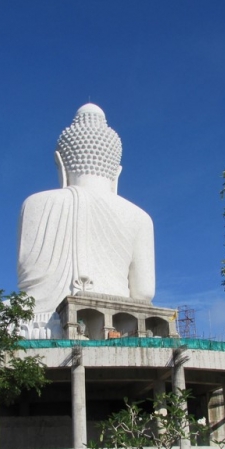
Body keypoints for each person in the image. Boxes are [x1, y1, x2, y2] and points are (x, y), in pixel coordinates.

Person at [17, 104, 155, 325]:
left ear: (61, 165)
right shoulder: (140, 217)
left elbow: (28, 288)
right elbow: (144, 293)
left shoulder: (35, 204)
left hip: (41, 321)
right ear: (116, 173)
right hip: (117, 322)